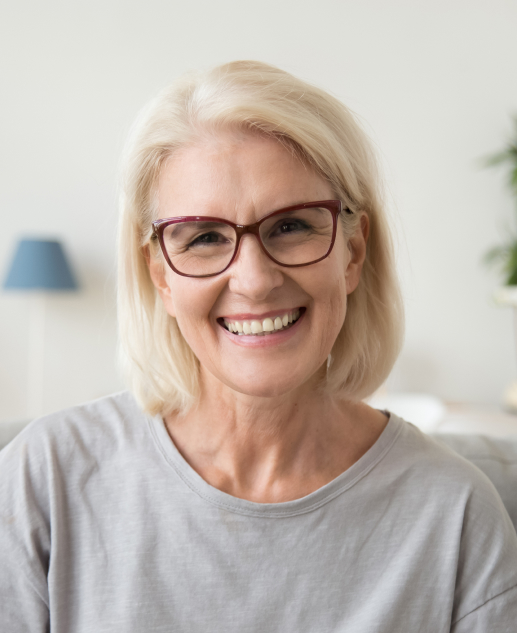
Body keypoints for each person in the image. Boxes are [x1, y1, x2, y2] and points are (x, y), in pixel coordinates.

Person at [1, 60, 516, 632]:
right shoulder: (44, 478)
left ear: (353, 251)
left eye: (292, 226)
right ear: (160, 275)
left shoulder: (455, 514)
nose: (253, 279)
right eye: (204, 237)